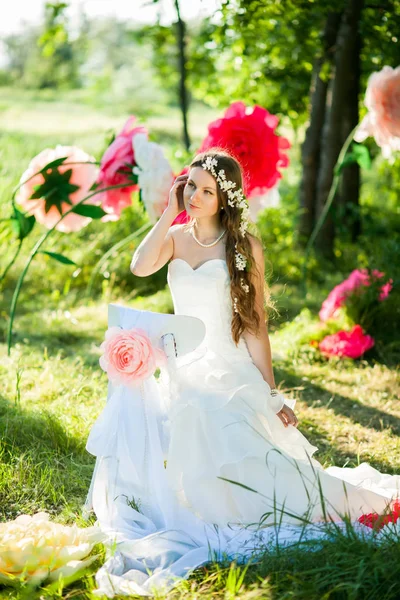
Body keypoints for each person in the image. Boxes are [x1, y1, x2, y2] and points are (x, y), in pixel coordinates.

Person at [89, 148, 399, 597]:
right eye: (190, 185)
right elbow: (139, 267)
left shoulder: (245, 246)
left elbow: (254, 324)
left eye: (205, 190)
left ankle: (334, 501)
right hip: (183, 365)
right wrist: (168, 213)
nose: (195, 195)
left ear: (224, 198)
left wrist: (271, 394)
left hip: (228, 365)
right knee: (188, 417)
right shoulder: (176, 237)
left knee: (232, 432)